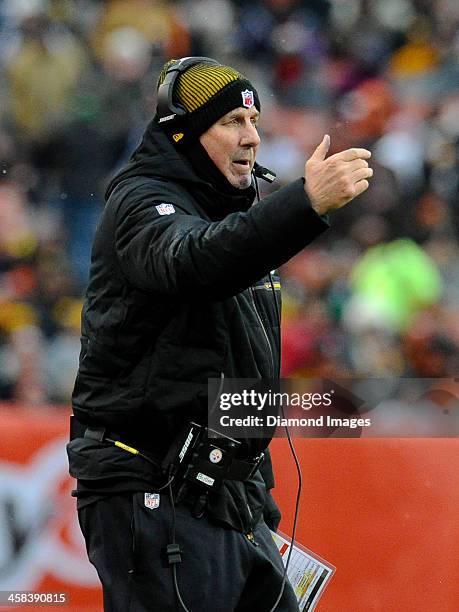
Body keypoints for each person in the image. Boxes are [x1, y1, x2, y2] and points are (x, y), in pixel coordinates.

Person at [67, 57, 373, 611]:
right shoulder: (141, 203)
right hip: (153, 487)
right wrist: (304, 203)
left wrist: (258, 500)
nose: (252, 139)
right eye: (232, 121)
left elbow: (235, 375)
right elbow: (195, 263)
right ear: (182, 131)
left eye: (255, 123)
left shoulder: (231, 221)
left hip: (228, 499)